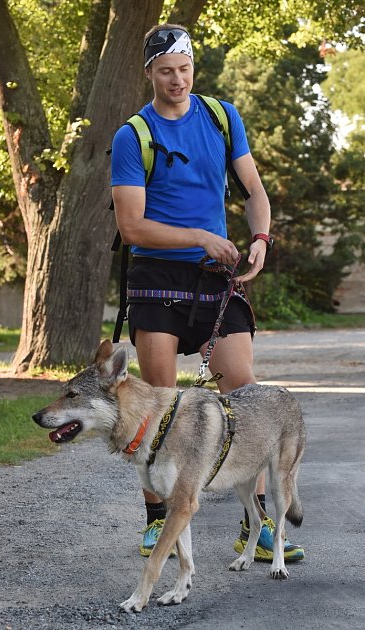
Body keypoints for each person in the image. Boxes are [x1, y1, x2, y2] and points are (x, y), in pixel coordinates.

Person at [110, 23, 304, 562]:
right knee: (159, 403)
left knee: (244, 395)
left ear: (195, 67)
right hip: (158, 283)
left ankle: (259, 527)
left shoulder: (221, 117)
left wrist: (261, 237)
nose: (178, 80)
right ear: (149, 72)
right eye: (167, 71)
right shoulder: (134, 135)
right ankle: (156, 520)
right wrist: (200, 236)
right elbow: (131, 227)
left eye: (185, 69)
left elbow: (255, 191)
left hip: (217, 282)